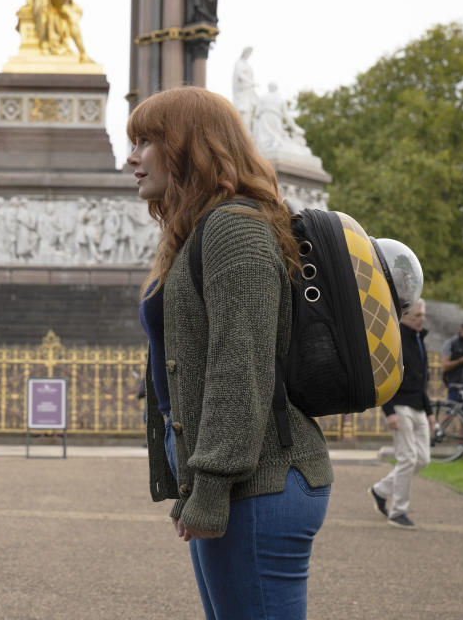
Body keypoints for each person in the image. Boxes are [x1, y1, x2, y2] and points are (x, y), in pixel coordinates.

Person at [129, 87, 333, 620]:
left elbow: (239, 367)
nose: (131, 157)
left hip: (259, 483)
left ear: (189, 147)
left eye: (147, 141)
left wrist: (212, 485)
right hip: (243, 481)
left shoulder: (232, 229)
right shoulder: (200, 230)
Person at [368, 299, 434, 530]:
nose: (421, 318)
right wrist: (389, 412)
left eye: (423, 314)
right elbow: (384, 375)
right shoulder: (395, 338)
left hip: (418, 406)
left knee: (423, 459)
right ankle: (398, 512)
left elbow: (422, 379)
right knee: (408, 458)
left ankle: (381, 490)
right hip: (400, 407)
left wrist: (430, 411)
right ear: (405, 316)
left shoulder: (419, 339)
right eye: (417, 315)